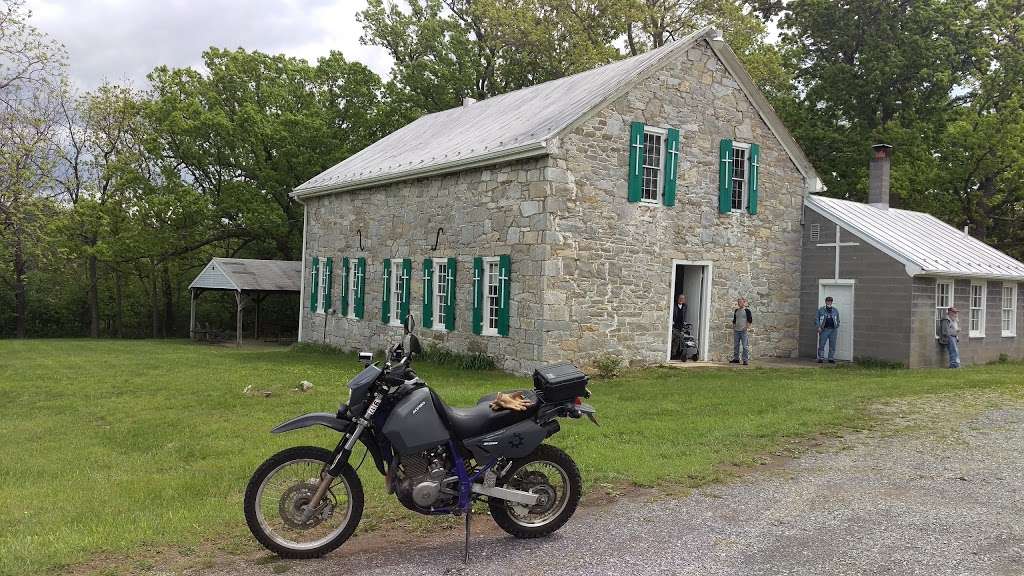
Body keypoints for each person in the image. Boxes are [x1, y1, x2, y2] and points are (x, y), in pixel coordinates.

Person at [815, 296, 841, 364]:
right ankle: (821, 358)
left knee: (832, 345)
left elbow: (838, 319)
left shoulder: (835, 310)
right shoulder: (821, 310)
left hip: (833, 330)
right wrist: (818, 327)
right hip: (824, 330)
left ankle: (831, 358)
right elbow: (816, 319)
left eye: (830, 301)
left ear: (832, 302)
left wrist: (837, 325)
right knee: (822, 344)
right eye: (828, 301)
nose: (829, 302)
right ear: (825, 302)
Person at [731, 297, 752, 365]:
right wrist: (734, 327)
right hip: (736, 331)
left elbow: (750, 320)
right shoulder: (736, 310)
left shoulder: (747, 311)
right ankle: (736, 359)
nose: (739, 303)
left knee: (745, 346)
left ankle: (745, 360)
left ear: (744, 302)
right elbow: (734, 320)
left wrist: (746, 328)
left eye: (740, 302)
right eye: (738, 302)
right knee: (736, 345)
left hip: (743, 331)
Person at [671, 294, 688, 360]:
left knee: (677, 341)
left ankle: (674, 354)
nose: (681, 300)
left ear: (684, 300)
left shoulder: (685, 306)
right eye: (680, 298)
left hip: (680, 326)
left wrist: (685, 322)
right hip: (674, 325)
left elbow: (685, 315)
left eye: (683, 298)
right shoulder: (674, 305)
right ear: (677, 299)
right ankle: (670, 354)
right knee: (672, 340)